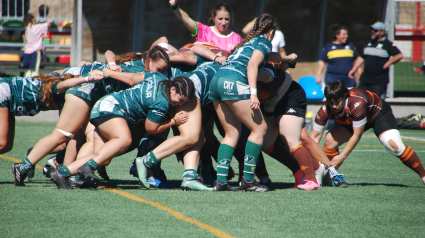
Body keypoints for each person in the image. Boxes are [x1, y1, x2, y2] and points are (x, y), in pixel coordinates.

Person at [50, 76, 195, 189]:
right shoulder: (162, 101)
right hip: (111, 108)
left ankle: (62, 173)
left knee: (102, 158)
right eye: (180, 100)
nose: (180, 104)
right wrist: (174, 121)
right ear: (173, 89)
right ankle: (88, 167)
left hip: (103, 105)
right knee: (124, 140)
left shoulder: (159, 79)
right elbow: (151, 128)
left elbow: (137, 78)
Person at [209, 14, 296, 192]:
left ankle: (221, 182)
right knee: (260, 129)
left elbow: (270, 56)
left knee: (231, 133)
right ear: (271, 31)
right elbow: (252, 65)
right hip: (233, 83)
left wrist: (286, 59)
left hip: (216, 82)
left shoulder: (249, 42)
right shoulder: (264, 41)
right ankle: (248, 180)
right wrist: (254, 94)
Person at [310, 81, 425, 185]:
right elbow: (313, 139)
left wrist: (342, 157)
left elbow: (357, 134)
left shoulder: (357, 103)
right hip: (352, 119)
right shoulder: (325, 109)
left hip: (377, 114)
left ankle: (423, 175)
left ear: (344, 97)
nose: (334, 106)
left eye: (337, 102)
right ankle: (331, 175)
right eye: (331, 103)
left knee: (395, 146)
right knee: (329, 141)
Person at [348, 22, 403, 99]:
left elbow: (399, 55)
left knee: (376, 102)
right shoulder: (369, 43)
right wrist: (353, 70)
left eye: (375, 30)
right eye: (372, 30)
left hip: (379, 81)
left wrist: (388, 63)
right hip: (365, 80)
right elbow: (361, 57)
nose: (373, 32)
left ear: (382, 32)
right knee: (361, 100)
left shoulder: (387, 44)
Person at [169, 0, 242, 52]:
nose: (223, 22)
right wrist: (175, 7)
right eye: (220, 19)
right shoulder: (204, 31)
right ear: (213, 18)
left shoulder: (237, 38)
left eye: (226, 19)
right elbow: (187, 20)